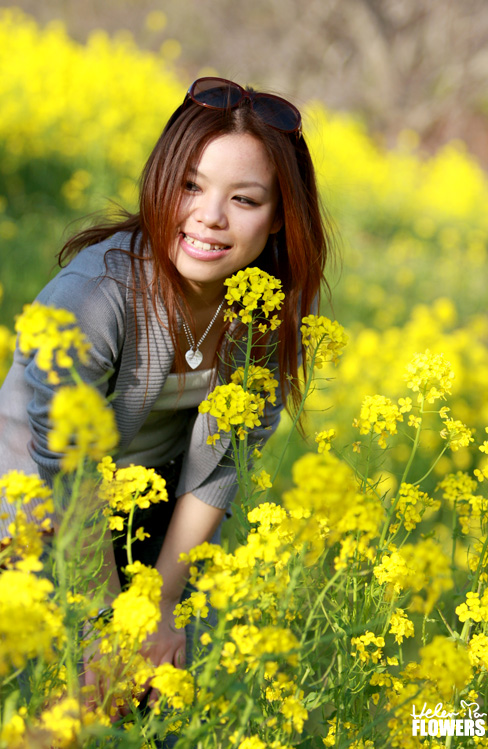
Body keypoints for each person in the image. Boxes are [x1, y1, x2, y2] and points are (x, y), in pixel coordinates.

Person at [0, 77, 332, 716]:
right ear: (160, 182)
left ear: (281, 216)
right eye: (190, 186)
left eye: (244, 198)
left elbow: (223, 465)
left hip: (151, 520)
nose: (210, 216)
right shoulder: (91, 298)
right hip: (35, 512)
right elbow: (69, 477)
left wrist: (161, 602)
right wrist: (107, 625)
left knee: (174, 686)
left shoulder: (275, 309)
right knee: (80, 695)